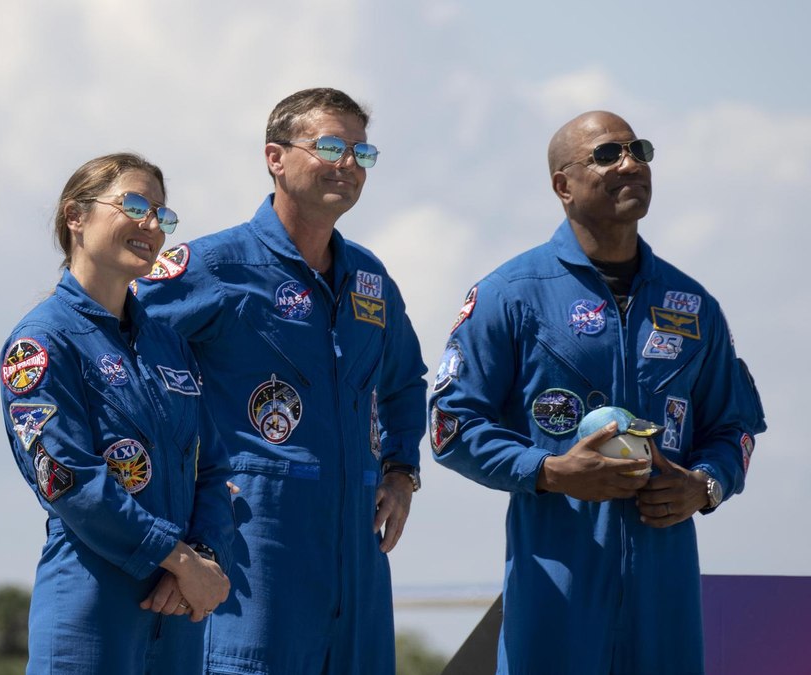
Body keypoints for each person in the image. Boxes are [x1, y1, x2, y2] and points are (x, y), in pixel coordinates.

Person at [430, 111, 767, 674]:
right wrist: (549, 471)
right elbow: (451, 426)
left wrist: (705, 485)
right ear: (563, 185)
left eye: (639, 150)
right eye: (608, 154)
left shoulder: (692, 304)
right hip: (556, 587)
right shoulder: (509, 295)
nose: (631, 164)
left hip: (666, 594)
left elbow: (734, 427)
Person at [135, 88, 428, 674]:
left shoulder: (370, 279)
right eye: (330, 147)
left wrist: (401, 473)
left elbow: (404, 382)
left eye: (362, 153)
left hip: (357, 556)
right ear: (276, 157)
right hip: (252, 549)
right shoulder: (213, 267)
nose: (348, 164)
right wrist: (168, 531)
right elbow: (119, 359)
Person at [0, 153, 235, 674]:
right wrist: (178, 558)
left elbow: (214, 468)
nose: (152, 225)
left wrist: (203, 557)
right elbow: (68, 480)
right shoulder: (42, 343)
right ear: (75, 216)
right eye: (133, 205)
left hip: (178, 610)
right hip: (91, 610)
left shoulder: (170, 344)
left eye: (161, 214)